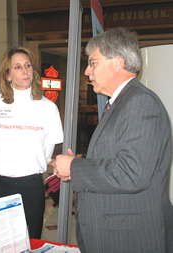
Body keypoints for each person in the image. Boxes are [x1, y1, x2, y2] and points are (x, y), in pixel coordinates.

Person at [53, 28, 173, 253]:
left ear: (118, 63)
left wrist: (75, 167)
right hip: (114, 232)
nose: (87, 71)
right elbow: (120, 160)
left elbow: (131, 174)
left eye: (93, 62)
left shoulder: (140, 103)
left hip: (129, 238)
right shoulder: (123, 102)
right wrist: (80, 165)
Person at [0, 46, 64, 239]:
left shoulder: (48, 108)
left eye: (28, 65)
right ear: (7, 75)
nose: (25, 71)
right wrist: (3, 170)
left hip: (32, 186)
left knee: (30, 240)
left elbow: (47, 151)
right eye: (17, 67)